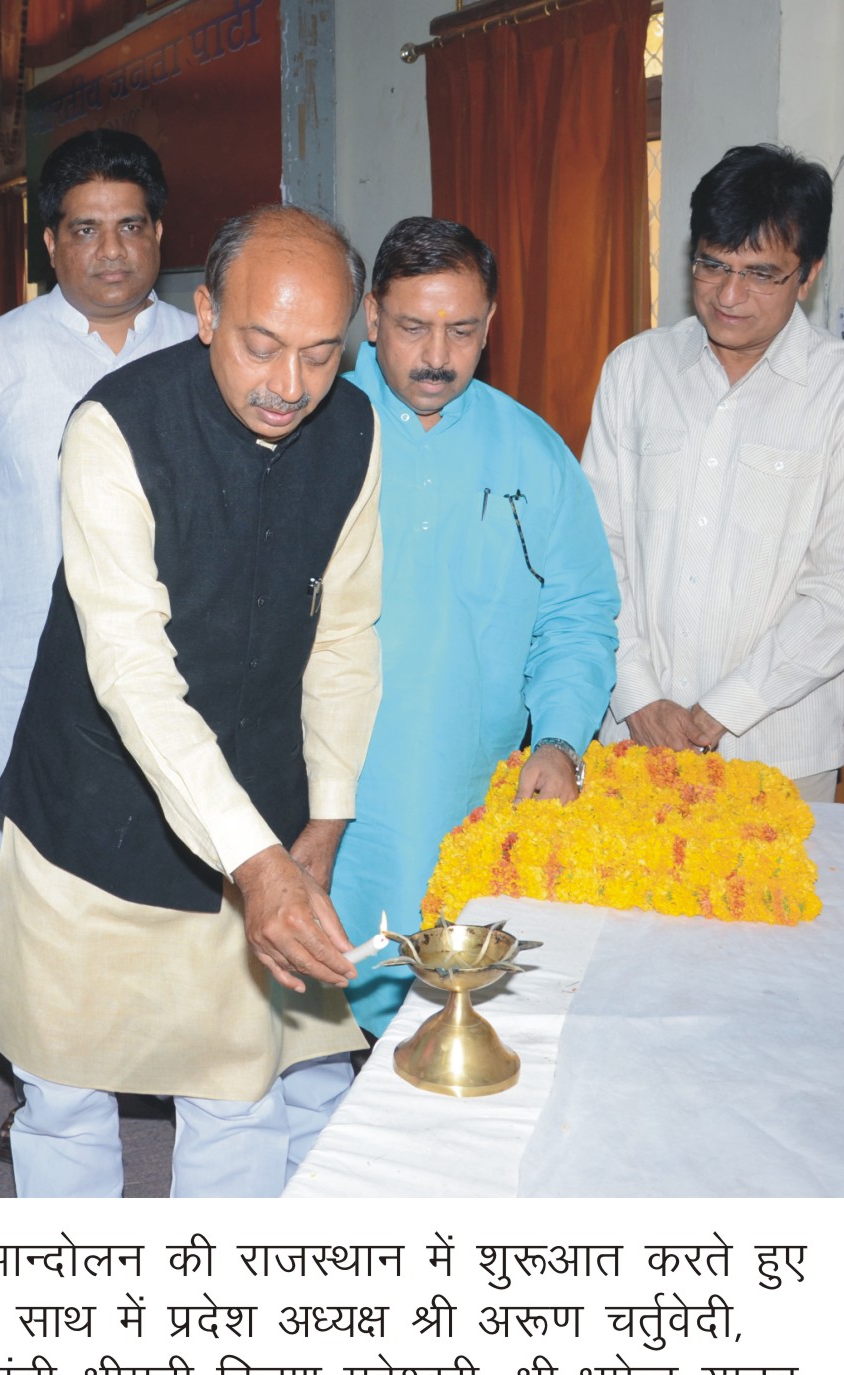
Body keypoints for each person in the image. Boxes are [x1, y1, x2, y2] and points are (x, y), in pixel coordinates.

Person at [0, 206, 383, 1198]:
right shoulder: (115, 426)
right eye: (261, 345)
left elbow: (343, 634)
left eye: (322, 355)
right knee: (65, 1095)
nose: (288, 385)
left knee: (237, 1097)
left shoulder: (353, 430)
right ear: (203, 313)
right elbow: (132, 673)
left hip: (253, 811)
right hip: (92, 805)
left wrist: (323, 816)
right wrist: (260, 858)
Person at [329, 217, 619, 1039]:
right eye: (413, 327)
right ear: (372, 319)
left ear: (490, 327)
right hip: (327, 796)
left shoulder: (533, 451)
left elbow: (578, 615)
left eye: (462, 330)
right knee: (309, 1032)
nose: (436, 356)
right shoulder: (315, 430)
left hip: (470, 794)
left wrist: (562, 738)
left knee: (446, 1025)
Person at [0, 129, 198, 933]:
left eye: (130, 225)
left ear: (159, 233)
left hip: (173, 639)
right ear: (52, 243)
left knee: (166, 839)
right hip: (35, 639)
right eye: (85, 229)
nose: (111, 250)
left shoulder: (206, 352)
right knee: (33, 845)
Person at [584, 144, 844, 802]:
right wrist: (640, 695)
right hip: (632, 739)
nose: (729, 295)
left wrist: (723, 710)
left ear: (809, 274)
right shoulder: (635, 370)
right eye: (713, 265)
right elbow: (596, 552)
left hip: (778, 755)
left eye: (761, 274)